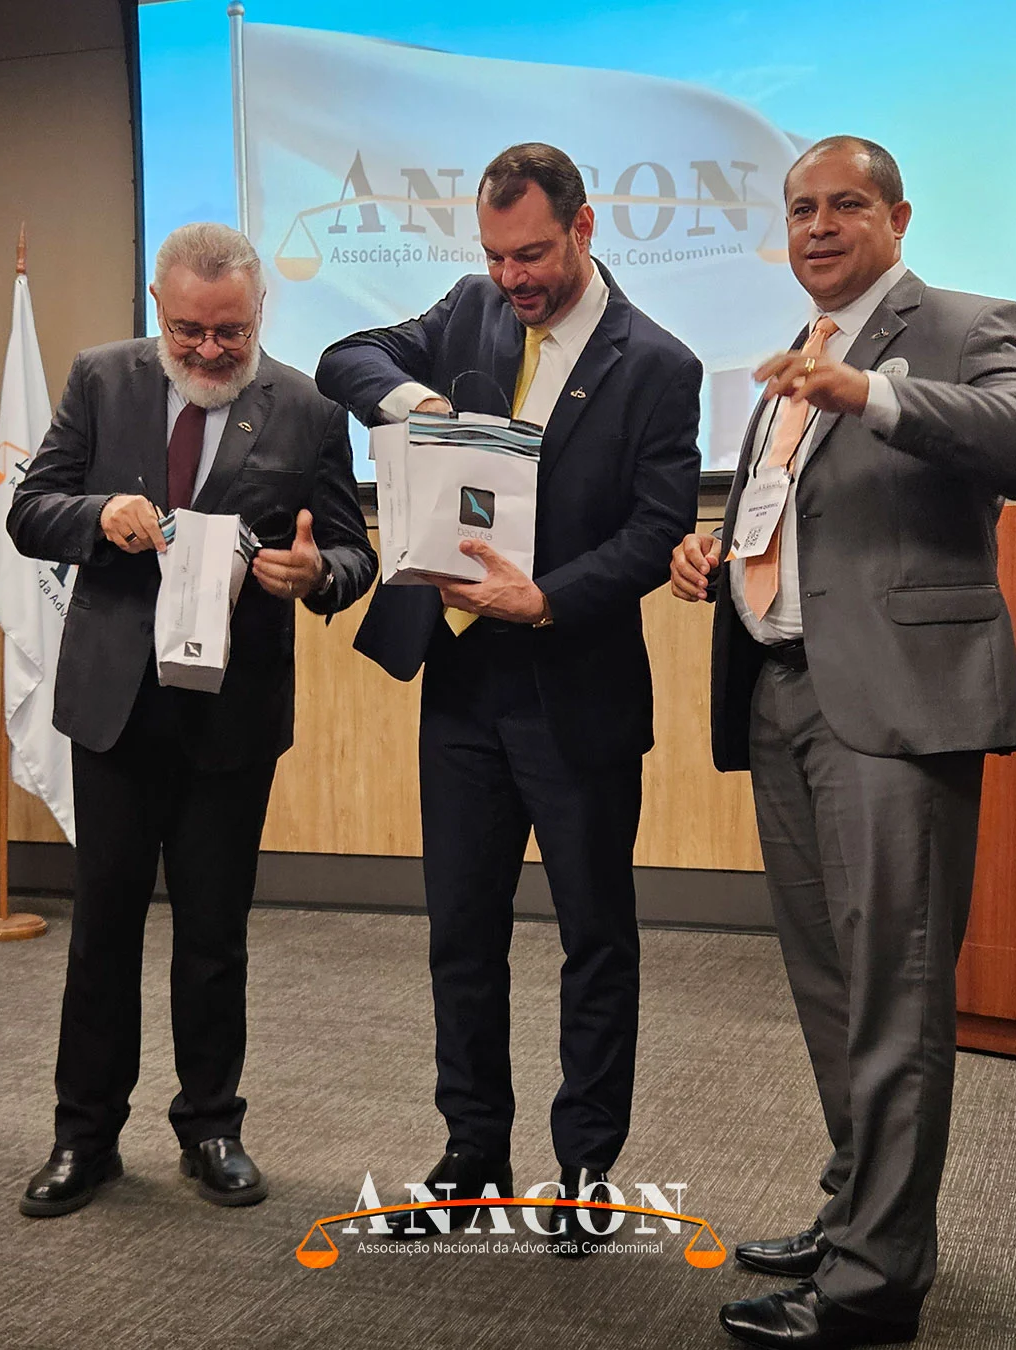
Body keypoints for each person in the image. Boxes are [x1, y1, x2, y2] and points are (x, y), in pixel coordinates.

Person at [671, 136, 1016, 1347]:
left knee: (895, 993)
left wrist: (871, 395)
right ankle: (855, 1214)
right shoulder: (801, 354)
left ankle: (875, 1284)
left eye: (845, 205)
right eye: (801, 209)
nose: (819, 226)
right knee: (833, 991)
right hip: (783, 696)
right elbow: (800, 515)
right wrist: (719, 550)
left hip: (897, 706)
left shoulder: (964, 324)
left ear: (898, 217)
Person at [318, 142, 701, 1254]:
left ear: (585, 228)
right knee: (462, 935)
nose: (512, 277)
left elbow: (658, 527)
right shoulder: (471, 309)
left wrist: (547, 600)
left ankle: (584, 1170)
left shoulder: (657, 363)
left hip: (574, 687)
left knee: (595, 940)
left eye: (530, 254)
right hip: (462, 688)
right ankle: (473, 1153)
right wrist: (416, 398)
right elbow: (345, 357)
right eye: (494, 255)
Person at [9, 222, 377, 1218]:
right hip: (116, 711)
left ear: (261, 312)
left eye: (230, 331)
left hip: (231, 716)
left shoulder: (307, 408)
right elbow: (30, 511)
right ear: (156, 309)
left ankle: (211, 1127)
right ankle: (84, 1138)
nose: (210, 351)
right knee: (103, 934)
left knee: (214, 936)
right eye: (189, 332)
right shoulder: (101, 378)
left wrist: (315, 574)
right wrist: (98, 517)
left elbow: (353, 555)